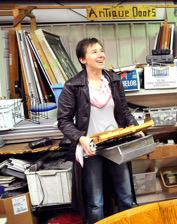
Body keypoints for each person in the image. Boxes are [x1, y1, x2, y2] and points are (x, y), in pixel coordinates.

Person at [57, 38, 142, 223]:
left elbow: (124, 111)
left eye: (101, 50)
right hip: (91, 149)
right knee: (96, 202)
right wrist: (81, 139)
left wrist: (136, 127)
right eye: (94, 51)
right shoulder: (73, 86)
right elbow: (63, 121)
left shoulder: (113, 80)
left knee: (126, 195)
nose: (100, 54)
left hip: (116, 145)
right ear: (82, 59)